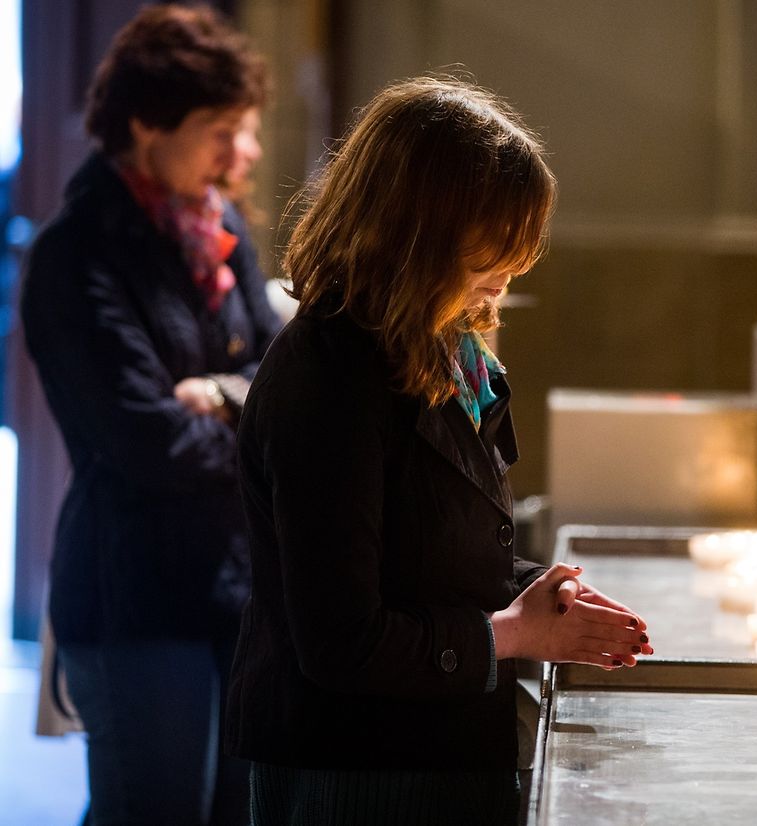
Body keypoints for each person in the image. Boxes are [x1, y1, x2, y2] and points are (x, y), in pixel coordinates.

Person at [224, 77, 654, 825]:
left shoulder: (432, 349)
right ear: (417, 232)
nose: (506, 278)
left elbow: (428, 551)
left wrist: (544, 593)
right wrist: (516, 631)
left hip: (437, 750)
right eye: (493, 250)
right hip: (354, 771)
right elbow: (343, 641)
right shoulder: (329, 378)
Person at [20, 6, 282, 825]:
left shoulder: (219, 228)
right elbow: (149, 441)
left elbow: (285, 384)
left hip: (234, 586)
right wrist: (252, 419)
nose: (245, 153)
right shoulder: (75, 254)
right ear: (146, 124)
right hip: (133, 595)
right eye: (221, 131)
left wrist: (223, 396)